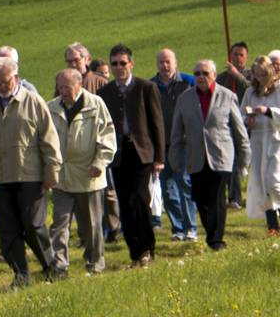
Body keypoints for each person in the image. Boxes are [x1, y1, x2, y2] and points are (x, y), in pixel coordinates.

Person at [0, 55, 62, 285]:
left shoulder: (34, 102)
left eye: (5, 82)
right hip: (0, 179)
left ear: (16, 78)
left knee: (33, 225)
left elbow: (49, 139)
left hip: (30, 176)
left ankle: (50, 265)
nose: (1, 87)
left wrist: (51, 173)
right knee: (8, 231)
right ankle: (21, 274)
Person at [168, 59, 248, 251]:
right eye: (197, 74)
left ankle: (216, 239)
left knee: (218, 197)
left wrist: (244, 158)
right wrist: (174, 157)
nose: (201, 77)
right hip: (196, 156)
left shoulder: (227, 96)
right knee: (201, 198)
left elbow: (239, 131)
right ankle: (212, 232)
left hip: (220, 156)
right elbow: (177, 131)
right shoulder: (185, 98)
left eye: (205, 73)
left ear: (213, 75)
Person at [99, 44, 166, 267]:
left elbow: (157, 123)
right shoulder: (106, 92)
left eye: (123, 63)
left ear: (131, 64)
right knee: (125, 204)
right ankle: (135, 252)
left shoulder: (145, 88)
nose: (119, 68)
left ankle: (148, 247)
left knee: (140, 200)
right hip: (118, 155)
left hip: (142, 153)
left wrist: (159, 157)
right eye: (115, 64)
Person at [48, 68, 116, 277]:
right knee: (60, 223)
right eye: (60, 87)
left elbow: (107, 137)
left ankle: (95, 263)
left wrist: (100, 162)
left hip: (89, 175)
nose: (63, 91)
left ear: (79, 85)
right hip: (61, 175)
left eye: (67, 87)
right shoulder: (51, 107)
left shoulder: (96, 105)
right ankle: (59, 266)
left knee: (92, 225)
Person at [242, 55, 280, 235]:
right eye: (256, 75)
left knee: (273, 179)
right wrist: (247, 119)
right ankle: (272, 225)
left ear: (271, 72)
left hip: (277, 137)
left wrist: (268, 111)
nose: (260, 78)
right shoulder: (251, 92)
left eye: (263, 74)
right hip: (257, 138)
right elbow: (241, 113)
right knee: (261, 182)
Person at [150, 48, 197, 242]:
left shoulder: (188, 83)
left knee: (184, 184)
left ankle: (191, 228)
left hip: (184, 143)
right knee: (167, 189)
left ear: (175, 63)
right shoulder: (150, 86)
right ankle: (178, 228)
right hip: (162, 145)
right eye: (161, 62)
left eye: (168, 61)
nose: (164, 65)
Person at [218, 41, 253, 208]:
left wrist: (237, 75)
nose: (237, 58)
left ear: (246, 57)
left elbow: (252, 89)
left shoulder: (252, 74)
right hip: (227, 124)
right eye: (235, 55)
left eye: (241, 55)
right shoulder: (222, 77)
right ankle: (234, 198)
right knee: (230, 161)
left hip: (248, 123)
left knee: (246, 160)